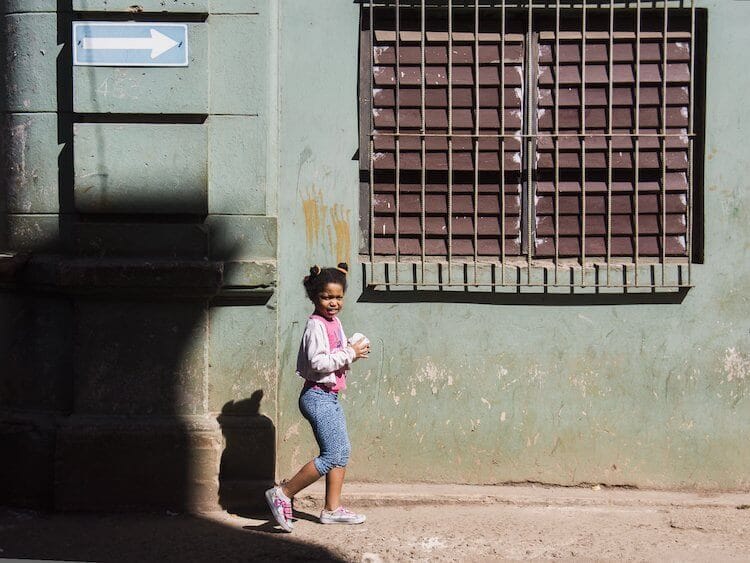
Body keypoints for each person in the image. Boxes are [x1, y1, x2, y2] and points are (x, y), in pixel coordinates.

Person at [265, 263, 370, 532]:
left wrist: (352, 348)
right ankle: (283, 493)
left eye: (338, 297)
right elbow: (318, 362)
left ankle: (332, 510)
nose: (333, 303)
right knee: (332, 454)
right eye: (326, 297)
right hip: (316, 396)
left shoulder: (334, 323)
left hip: (329, 397)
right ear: (314, 297)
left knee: (341, 451)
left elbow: (336, 354)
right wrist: (350, 353)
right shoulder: (315, 325)